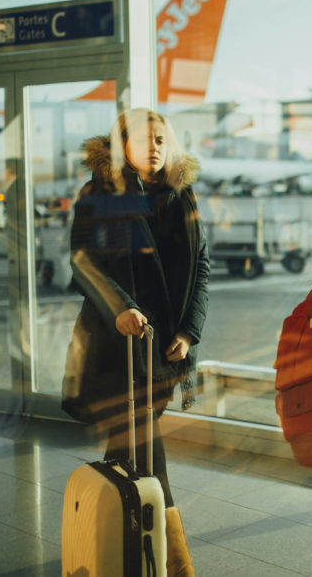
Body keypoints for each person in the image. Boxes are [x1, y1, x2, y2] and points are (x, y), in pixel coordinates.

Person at [61, 108, 209, 577]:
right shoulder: (99, 194)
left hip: (166, 350)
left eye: (161, 138)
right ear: (120, 144)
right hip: (119, 346)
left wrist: (189, 331)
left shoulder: (181, 196)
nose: (155, 146)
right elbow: (83, 260)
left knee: (127, 455)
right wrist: (121, 304)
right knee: (144, 451)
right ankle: (171, 564)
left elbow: (202, 266)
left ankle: (105, 545)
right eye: (144, 139)